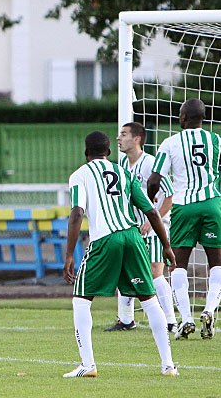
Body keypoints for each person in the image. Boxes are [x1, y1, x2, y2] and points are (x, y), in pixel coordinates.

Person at [64, 131, 177, 378]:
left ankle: (88, 364)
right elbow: (151, 210)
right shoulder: (124, 173)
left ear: (86, 152)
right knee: (149, 299)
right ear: (109, 152)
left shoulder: (79, 175)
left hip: (105, 239)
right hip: (133, 237)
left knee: (81, 299)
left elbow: (76, 213)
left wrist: (69, 254)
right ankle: (168, 365)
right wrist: (166, 246)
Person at [148, 98, 221, 340]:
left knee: (178, 264)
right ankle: (210, 310)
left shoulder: (170, 142)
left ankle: (187, 319)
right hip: (212, 203)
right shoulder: (216, 140)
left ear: (184, 117)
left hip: (184, 206)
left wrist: (151, 200)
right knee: (218, 263)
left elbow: (154, 179)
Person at [104, 122, 177, 333]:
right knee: (126, 270)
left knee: (155, 272)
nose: (119, 138)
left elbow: (169, 197)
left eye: (124, 134)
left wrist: (152, 220)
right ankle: (126, 320)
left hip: (154, 228)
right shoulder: (122, 167)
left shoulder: (151, 164)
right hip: (132, 229)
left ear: (137, 139)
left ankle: (171, 321)